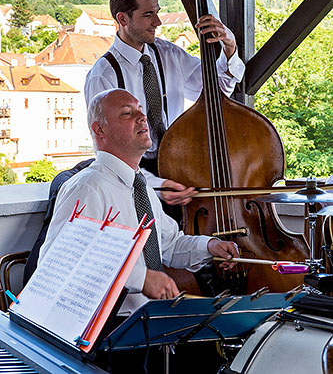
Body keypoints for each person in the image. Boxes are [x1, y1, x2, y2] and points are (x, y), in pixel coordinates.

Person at [38, 89, 239, 316]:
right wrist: (140, 278)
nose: (141, 117)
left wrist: (210, 246)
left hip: (149, 322)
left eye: (140, 110)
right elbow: (59, 265)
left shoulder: (142, 187)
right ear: (100, 129)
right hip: (110, 329)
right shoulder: (88, 187)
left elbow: (170, 246)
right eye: (127, 113)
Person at [84, 0, 245, 208]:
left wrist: (229, 47)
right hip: (134, 184)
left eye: (157, 12)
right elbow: (108, 154)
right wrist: (156, 186)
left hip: (181, 168)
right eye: (148, 15)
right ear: (122, 19)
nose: (158, 22)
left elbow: (216, 92)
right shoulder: (103, 75)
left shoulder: (168, 53)